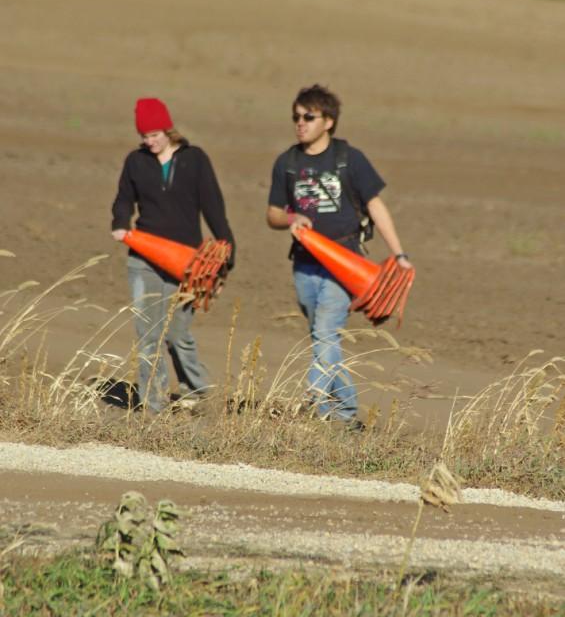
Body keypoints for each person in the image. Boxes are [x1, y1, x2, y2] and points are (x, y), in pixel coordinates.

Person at [267, 84, 412, 430]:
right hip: (304, 265)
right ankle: (346, 414)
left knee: (325, 332)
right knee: (322, 339)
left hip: (346, 264)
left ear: (328, 121)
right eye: (296, 117)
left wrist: (399, 253)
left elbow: (376, 206)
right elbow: (272, 214)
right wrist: (290, 218)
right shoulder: (287, 163)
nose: (300, 123)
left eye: (308, 117)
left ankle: (314, 404)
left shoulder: (349, 159)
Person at [111, 97, 235, 413]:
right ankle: (153, 405)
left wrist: (226, 253)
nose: (149, 141)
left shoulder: (195, 160)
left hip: (187, 262)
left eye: (154, 134)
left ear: (168, 129)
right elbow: (124, 200)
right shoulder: (135, 161)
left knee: (178, 333)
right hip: (144, 260)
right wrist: (120, 224)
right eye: (144, 136)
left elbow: (213, 207)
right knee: (147, 333)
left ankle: (198, 391)